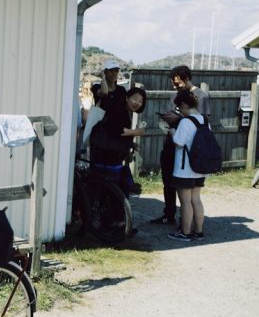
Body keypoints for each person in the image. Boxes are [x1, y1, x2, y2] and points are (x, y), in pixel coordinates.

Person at [151, 65, 210, 226]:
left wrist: (181, 120)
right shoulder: (175, 96)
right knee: (168, 182)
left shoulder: (201, 96)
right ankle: (169, 214)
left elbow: (202, 123)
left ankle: (186, 224)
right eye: (173, 84)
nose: (175, 87)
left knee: (188, 193)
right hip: (171, 144)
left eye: (177, 83)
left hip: (188, 150)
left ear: (186, 79)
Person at [88, 86, 148, 195]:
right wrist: (136, 132)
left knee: (110, 187)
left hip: (109, 154)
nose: (137, 103)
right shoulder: (119, 109)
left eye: (140, 101)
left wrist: (131, 143)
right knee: (109, 188)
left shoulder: (126, 110)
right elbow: (117, 130)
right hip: (106, 156)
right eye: (135, 99)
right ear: (127, 98)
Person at [167, 89, 207, 241]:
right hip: (200, 168)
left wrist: (172, 132)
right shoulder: (204, 120)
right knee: (196, 199)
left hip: (184, 168)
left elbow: (179, 142)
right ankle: (199, 231)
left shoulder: (185, 121)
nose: (179, 111)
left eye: (179, 108)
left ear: (184, 104)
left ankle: (185, 232)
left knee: (185, 201)